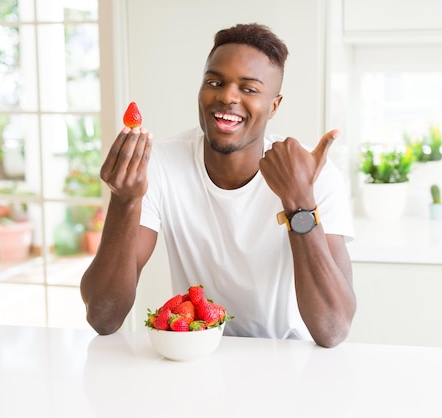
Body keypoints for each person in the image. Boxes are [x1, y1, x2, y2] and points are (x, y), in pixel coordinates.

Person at [80, 23, 356, 348]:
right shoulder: (161, 164)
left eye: (249, 89)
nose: (227, 96)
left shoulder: (314, 177)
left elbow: (333, 329)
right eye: (215, 82)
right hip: (197, 356)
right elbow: (103, 316)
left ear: (274, 106)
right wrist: (124, 201)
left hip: (290, 362)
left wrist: (300, 205)